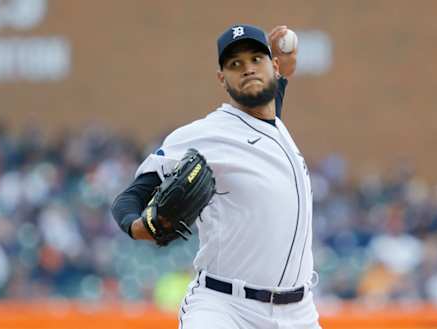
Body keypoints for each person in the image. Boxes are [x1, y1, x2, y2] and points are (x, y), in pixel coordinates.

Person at [112, 24, 321, 329]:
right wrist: (135, 226)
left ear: (273, 67)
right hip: (225, 308)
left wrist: (285, 67)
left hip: (299, 313)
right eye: (235, 64)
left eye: (255, 60)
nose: (247, 69)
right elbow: (130, 196)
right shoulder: (206, 134)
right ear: (222, 79)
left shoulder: (273, 125)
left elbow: (270, 106)